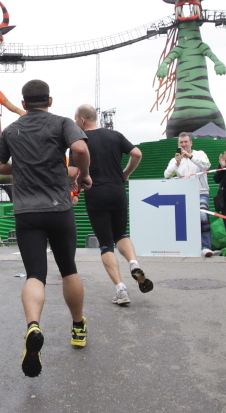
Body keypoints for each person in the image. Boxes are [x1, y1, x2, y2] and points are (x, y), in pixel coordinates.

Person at [0, 79, 92, 378]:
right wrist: (82, 175)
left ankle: (33, 325)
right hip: (59, 209)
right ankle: (78, 327)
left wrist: (20, 167)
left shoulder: (12, 130)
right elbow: (80, 148)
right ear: (50, 100)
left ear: (23, 103)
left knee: (35, 274)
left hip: (27, 212)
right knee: (68, 269)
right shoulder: (61, 123)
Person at [70, 104, 153, 306]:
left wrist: (74, 186)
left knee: (106, 243)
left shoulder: (79, 142)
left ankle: (121, 290)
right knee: (121, 234)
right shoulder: (115, 136)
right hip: (117, 191)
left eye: (75, 119)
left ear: (82, 120)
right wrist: (126, 173)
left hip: (96, 193)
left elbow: (72, 173)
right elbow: (137, 154)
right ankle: (134, 264)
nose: (75, 122)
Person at [164, 132, 213, 257]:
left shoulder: (200, 154)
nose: (184, 144)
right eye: (181, 142)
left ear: (191, 143)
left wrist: (190, 157)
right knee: (185, 220)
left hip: (200, 192)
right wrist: (176, 164)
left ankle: (206, 247)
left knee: (202, 215)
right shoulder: (174, 160)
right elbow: (166, 175)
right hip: (184, 195)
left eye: (186, 142)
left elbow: (207, 166)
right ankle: (188, 247)